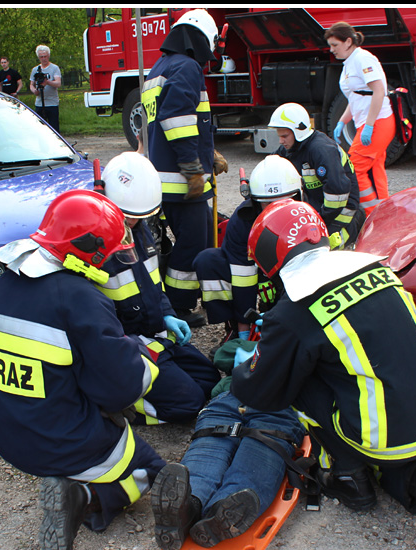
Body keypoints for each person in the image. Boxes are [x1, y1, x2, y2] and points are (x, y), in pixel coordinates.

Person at [231, 200, 416, 550]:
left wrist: (247, 364)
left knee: (300, 385)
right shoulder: (378, 269)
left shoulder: (296, 309)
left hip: (384, 435)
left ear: (268, 254)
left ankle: (349, 479)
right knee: (349, 373)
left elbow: (263, 390)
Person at [0, 189, 167, 550]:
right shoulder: (80, 297)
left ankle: (73, 483)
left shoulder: (8, 282)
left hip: (7, 434)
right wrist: (145, 357)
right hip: (61, 442)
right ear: (90, 250)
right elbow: (120, 389)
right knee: (153, 471)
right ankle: (83, 497)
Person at [98, 152, 220, 425]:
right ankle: (120, 406)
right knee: (190, 404)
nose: (132, 222)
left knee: (209, 380)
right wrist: (133, 346)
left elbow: (153, 281)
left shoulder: (138, 227)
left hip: (154, 331)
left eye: (138, 217)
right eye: (128, 216)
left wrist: (167, 313)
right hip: (127, 345)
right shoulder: (95, 241)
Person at [141, 9, 228, 328]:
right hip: (181, 181)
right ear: (201, 38)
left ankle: (182, 300)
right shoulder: (188, 66)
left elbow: (179, 121)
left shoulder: (160, 67)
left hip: (166, 178)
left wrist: (210, 154)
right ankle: (177, 307)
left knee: (202, 236)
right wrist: (193, 168)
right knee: (193, 244)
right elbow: (176, 120)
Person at [152, 388, 305, 550]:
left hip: (229, 396)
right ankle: (221, 512)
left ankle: (189, 504)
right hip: (282, 403)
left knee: (207, 453)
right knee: (258, 459)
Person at [194, 155, 302, 337]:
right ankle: (233, 328)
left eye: (281, 203)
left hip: (290, 278)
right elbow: (242, 276)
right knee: (208, 261)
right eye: (267, 203)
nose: (274, 209)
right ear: (255, 200)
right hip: (254, 273)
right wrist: (244, 327)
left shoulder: (306, 215)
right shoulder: (243, 221)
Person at [271, 102, 365, 249]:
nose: (280, 141)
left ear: (298, 131)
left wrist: (317, 222)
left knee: (322, 247)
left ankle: (355, 228)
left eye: (284, 136)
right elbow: (272, 163)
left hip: (341, 211)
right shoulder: (294, 147)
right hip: (319, 206)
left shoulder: (321, 150)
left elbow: (337, 194)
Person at [326, 21, 396, 216]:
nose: (331, 50)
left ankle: (373, 214)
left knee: (354, 169)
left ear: (348, 41)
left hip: (377, 122)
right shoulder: (350, 62)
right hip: (371, 122)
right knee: (374, 168)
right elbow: (357, 96)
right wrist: (342, 121)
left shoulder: (362, 59)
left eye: (335, 45)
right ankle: (383, 211)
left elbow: (379, 90)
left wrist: (370, 126)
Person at [29, 45, 62, 132]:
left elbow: (58, 83)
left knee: (54, 128)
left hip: (52, 103)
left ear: (49, 56)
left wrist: (47, 82)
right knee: (40, 128)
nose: (44, 59)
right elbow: (31, 84)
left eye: (45, 56)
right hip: (39, 103)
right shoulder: (35, 70)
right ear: (38, 57)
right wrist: (34, 91)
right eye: (41, 57)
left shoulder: (54, 68)